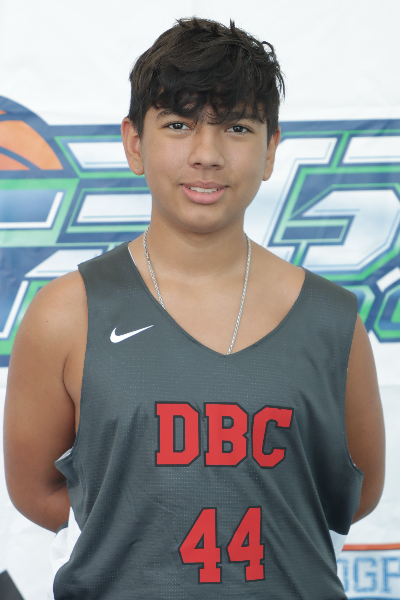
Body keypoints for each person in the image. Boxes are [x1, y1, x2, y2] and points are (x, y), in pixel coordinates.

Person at [4, 17, 385, 600]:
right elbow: (36, 491)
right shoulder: (66, 313)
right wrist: (145, 539)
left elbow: (357, 494)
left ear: (270, 149)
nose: (207, 154)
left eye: (236, 127)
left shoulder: (332, 319)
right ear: (135, 143)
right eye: (179, 124)